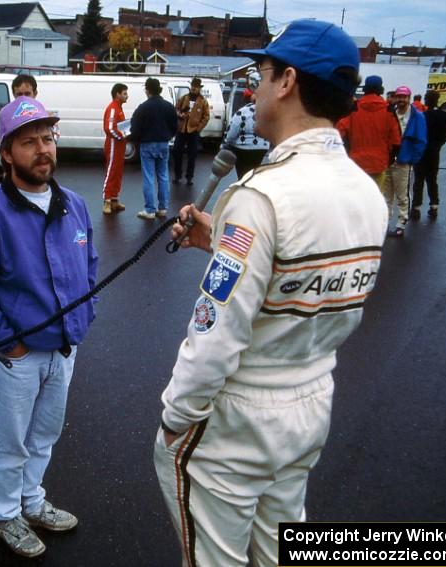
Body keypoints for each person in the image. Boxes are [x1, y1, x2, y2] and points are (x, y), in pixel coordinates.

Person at [153, 20, 387, 567]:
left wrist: (175, 416)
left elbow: (216, 335)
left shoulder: (261, 196)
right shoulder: (364, 191)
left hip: (239, 420)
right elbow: (305, 283)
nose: (253, 89)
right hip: (311, 399)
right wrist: (222, 242)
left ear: (286, 81)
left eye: (260, 75)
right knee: (282, 550)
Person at [0, 96, 98, 559]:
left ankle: (32, 501)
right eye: (28, 141)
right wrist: (5, 343)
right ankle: (5, 515)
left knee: (44, 436)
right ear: (6, 153)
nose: (42, 149)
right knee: (9, 441)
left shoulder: (73, 205)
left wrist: (81, 320)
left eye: (47, 138)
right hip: (13, 355)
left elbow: (88, 266)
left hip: (63, 349)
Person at [336, 75, 401, 189]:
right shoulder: (388, 110)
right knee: (376, 199)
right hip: (379, 163)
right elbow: (396, 140)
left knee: (356, 197)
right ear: (381, 89)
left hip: (356, 162)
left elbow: (340, 132)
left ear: (365, 89)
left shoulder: (354, 108)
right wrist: (389, 159)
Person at [381, 85, 426, 237]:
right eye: (399, 96)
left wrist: (411, 159)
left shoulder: (417, 117)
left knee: (402, 195)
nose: (401, 100)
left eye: (403, 97)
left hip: (403, 161)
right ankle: (385, 222)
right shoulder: (391, 113)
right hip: (388, 160)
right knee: (386, 195)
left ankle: (401, 223)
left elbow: (421, 141)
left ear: (409, 98)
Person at [130, 77, 177, 220]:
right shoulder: (169, 106)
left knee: (149, 177)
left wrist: (136, 139)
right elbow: (175, 126)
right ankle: (163, 208)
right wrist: (168, 136)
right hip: (163, 143)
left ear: (147, 90)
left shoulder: (143, 107)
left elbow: (135, 127)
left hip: (147, 144)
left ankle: (150, 209)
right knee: (163, 176)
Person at [411, 89, 446, 220]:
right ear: (438, 99)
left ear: (427, 100)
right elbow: (445, 135)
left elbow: (416, 135)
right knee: (432, 180)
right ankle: (434, 206)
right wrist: (437, 146)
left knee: (418, 181)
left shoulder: (421, 116)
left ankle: (416, 208)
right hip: (434, 153)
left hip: (421, 152)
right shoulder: (445, 116)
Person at [222, 70, 269, 178]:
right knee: (253, 172)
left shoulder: (242, 112)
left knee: (243, 174)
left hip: (243, 148)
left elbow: (232, 133)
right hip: (262, 147)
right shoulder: (266, 112)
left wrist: (227, 142)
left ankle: (243, 188)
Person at [173, 77, 210, 185]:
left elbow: (206, 117)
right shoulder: (184, 98)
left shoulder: (203, 101)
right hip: (182, 130)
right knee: (176, 151)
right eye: (193, 86)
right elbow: (176, 109)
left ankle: (189, 177)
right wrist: (179, 115)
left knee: (192, 155)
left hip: (193, 131)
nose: (194, 88)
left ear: (199, 88)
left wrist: (198, 128)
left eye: (196, 87)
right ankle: (177, 175)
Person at [101, 82, 129, 215]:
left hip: (119, 144)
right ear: (117, 94)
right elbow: (109, 128)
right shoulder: (113, 108)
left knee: (118, 172)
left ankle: (114, 199)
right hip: (113, 144)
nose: (127, 96)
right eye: (124, 93)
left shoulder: (119, 108)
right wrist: (121, 135)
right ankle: (106, 200)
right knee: (111, 171)